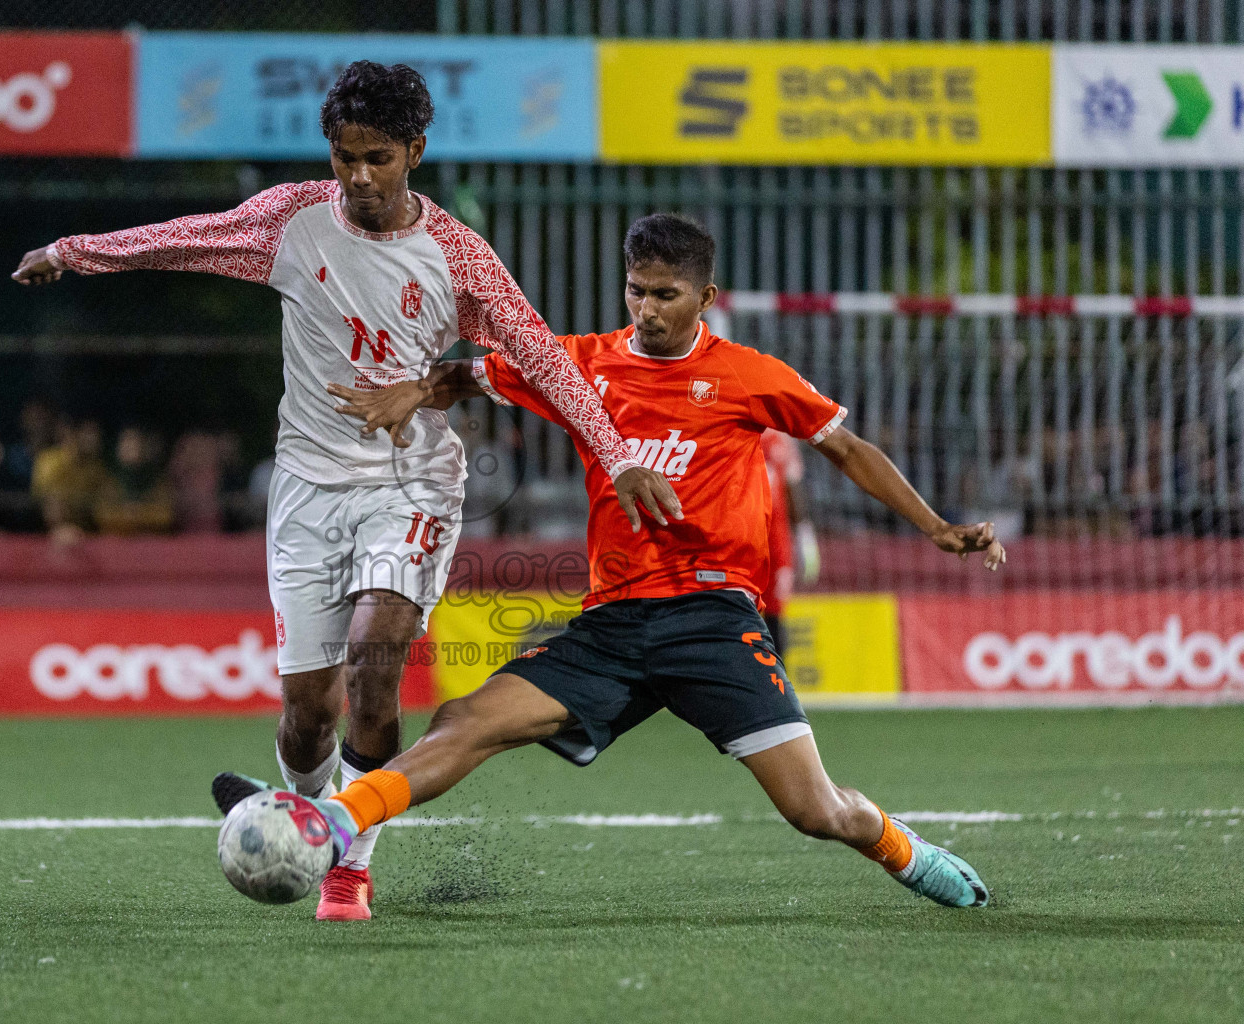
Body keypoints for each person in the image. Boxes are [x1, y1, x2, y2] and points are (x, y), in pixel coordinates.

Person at [13, 61, 678, 921]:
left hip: (411, 484)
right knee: (305, 717)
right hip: (307, 491)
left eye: (378, 158)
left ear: (416, 151)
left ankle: (347, 860)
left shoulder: (458, 256)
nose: (359, 177)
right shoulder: (288, 221)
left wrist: (616, 451)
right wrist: (75, 253)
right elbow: (185, 236)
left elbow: (541, 357)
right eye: (345, 156)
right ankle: (300, 799)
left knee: (377, 656)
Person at [218, 213, 1005, 911]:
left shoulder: (749, 375)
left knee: (817, 813)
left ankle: (906, 850)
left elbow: (847, 447)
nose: (648, 310)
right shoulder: (582, 365)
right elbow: (471, 375)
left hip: (712, 619)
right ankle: (335, 821)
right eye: (636, 291)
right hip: (613, 625)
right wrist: (415, 393)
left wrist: (934, 527)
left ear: (706, 296)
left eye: (667, 294)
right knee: (467, 720)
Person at [758, 429, 819, 655]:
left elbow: (793, 486)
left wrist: (804, 534)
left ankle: (777, 683)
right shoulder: (733, 428)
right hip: (741, 538)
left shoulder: (780, 437)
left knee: (775, 615)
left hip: (776, 542)